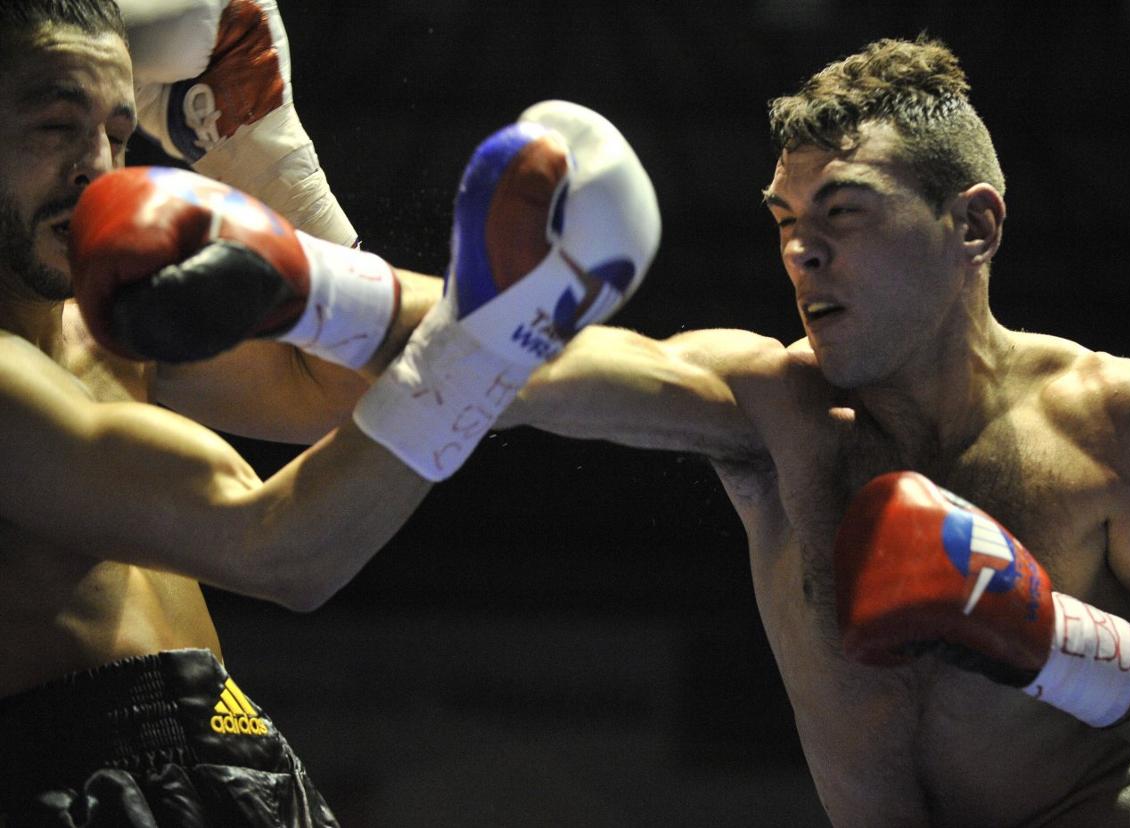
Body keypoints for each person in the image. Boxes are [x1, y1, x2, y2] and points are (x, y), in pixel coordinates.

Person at [495, 35, 1130, 826]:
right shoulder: (776, 406)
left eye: (843, 211)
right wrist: (361, 302)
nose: (799, 251)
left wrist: (1055, 646)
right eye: (783, 220)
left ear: (973, 226)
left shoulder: (1112, 423)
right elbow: (547, 371)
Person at [0, 0, 658, 823]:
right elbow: (278, 546)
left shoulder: (111, 324)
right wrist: (501, 329)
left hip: (229, 762)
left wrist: (264, 150)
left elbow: (336, 387)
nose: (97, 166)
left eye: (121, 134)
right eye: (57, 126)